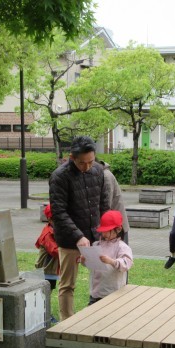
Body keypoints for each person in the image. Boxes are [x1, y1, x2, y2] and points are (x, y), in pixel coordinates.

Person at [49, 136, 110, 320]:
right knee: (68, 284)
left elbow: (103, 203)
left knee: (102, 278)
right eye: (83, 163)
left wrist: (106, 229)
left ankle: (99, 317)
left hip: (95, 235)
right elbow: (59, 212)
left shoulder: (98, 171)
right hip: (70, 240)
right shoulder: (60, 176)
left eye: (91, 161)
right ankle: (66, 323)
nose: (87, 166)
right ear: (72, 158)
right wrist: (78, 236)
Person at [81, 210, 133, 305]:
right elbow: (92, 265)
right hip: (96, 292)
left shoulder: (122, 247)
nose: (104, 233)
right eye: (103, 231)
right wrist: (84, 260)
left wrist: (112, 261)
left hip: (113, 293)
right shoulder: (97, 244)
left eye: (107, 230)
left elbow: (126, 264)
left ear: (118, 229)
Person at [34, 204, 59, 326]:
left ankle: (44, 313)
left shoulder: (55, 230)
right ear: (50, 219)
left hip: (51, 270)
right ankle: (44, 315)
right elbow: (55, 251)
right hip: (45, 271)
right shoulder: (47, 234)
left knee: (48, 291)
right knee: (44, 294)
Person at [97, 160, 130, 244]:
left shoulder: (105, 176)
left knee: (120, 250)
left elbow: (106, 204)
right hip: (109, 228)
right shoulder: (100, 174)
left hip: (115, 227)